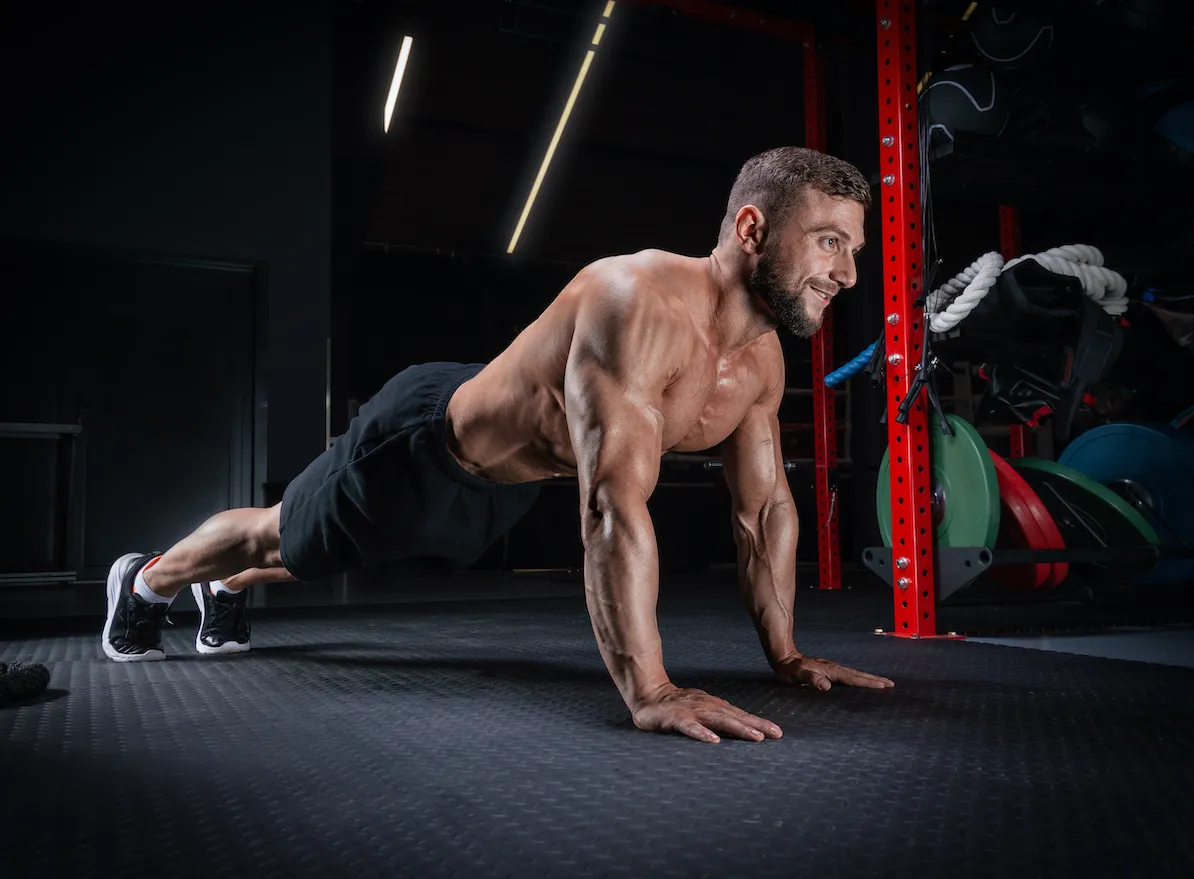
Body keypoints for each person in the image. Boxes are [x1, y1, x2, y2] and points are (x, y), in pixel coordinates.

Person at [102, 146, 895, 743]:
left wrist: (786, 654)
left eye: (853, 249)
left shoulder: (759, 361)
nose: (848, 273)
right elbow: (611, 505)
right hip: (421, 443)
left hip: (508, 480)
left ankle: (227, 586)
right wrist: (651, 689)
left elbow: (764, 511)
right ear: (752, 227)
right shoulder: (635, 301)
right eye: (828, 242)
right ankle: (146, 584)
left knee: (325, 555)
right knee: (283, 530)